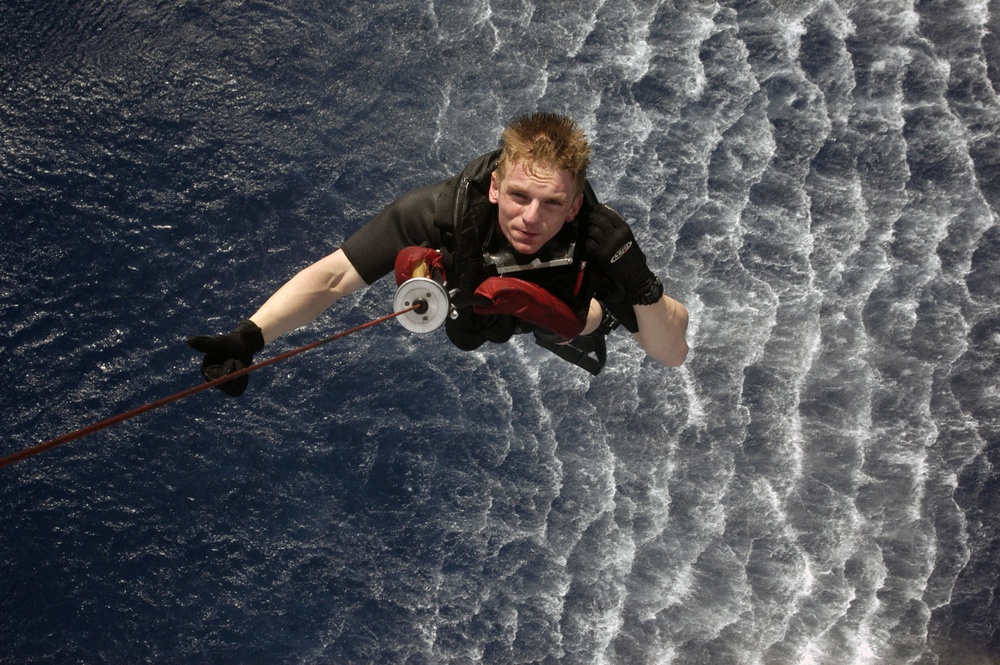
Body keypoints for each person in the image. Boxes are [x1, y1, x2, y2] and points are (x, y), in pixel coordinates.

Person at [188, 112, 688, 395]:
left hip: (562, 309)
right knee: (464, 323)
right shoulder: (439, 212)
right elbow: (335, 276)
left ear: (575, 203)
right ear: (494, 187)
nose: (532, 218)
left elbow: (671, 353)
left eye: (553, 203)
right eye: (519, 196)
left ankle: (563, 314)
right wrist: (250, 336)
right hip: (472, 304)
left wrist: (641, 282)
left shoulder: (598, 237)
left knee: (588, 318)